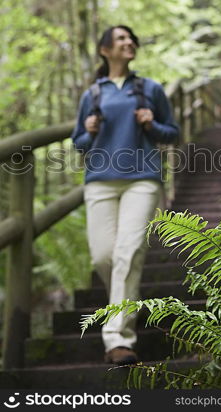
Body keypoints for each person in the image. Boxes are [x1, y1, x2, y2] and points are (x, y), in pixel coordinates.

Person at [71, 25, 179, 365]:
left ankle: (118, 338)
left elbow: (171, 133)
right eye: (120, 39)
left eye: (131, 38)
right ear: (105, 50)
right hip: (100, 180)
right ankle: (125, 301)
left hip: (143, 178)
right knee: (104, 257)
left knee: (128, 252)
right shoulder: (93, 93)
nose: (128, 42)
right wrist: (88, 131)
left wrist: (151, 123)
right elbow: (78, 143)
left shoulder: (150, 89)